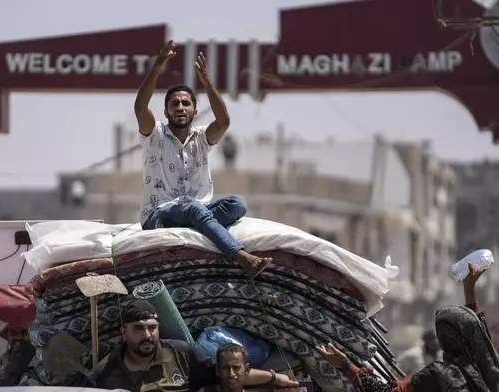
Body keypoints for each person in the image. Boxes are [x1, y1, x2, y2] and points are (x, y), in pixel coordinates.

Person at [134, 40, 272, 279]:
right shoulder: (154, 135)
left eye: (186, 103)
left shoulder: (201, 138)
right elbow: (140, 108)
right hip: (158, 216)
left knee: (237, 203)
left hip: (197, 209)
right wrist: (156, 68)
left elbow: (223, 122)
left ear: (194, 112)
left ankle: (198, 223)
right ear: (166, 111)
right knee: (192, 207)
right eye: (174, 104)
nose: (180, 107)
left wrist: (207, 81)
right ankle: (241, 257)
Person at [316, 262, 499, 392]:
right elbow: (479, 337)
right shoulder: (488, 371)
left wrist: (346, 366)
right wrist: (469, 292)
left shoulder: (440, 374)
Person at [85, 299, 298, 391]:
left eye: (152, 327)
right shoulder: (104, 374)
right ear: (124, 333)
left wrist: (275, 378)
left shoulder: (181, 354)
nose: (147, 335)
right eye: (138, 329)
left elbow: (227, 375)